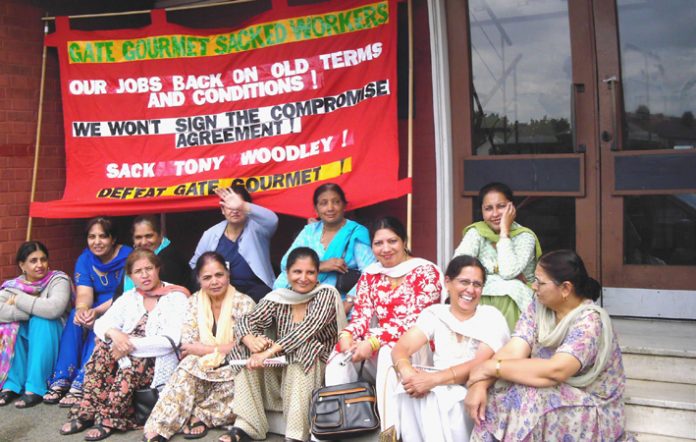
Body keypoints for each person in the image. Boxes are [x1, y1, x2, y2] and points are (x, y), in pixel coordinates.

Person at [465, 250, 631, 441]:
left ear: (565, 288)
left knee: (527, 398)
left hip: (592, 402)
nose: (534, 287)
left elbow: (556, 371)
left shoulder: (589, 323)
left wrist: (490, 367)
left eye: (540, 282)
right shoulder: (538, 306)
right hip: (550, 385)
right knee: (500, 389)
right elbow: (514, 349)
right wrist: (480, 383)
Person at [325, 216, 444, 431]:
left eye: (392, 241)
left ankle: (390, 432)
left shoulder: (425, 272)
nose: (385, 248)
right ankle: (339, 427)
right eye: (378, 243)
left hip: (417, 348)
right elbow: (361, 316)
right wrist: (347, 336)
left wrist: (372, 342)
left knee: (391, 351)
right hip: (376, 345)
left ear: (404, 241)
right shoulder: (371, 275)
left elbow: (416, 319)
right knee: (339, 359)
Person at [60, 248, 189, 441]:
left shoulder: (175, 296)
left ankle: (109, 419)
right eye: (138, 271)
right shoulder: (130, 297)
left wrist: (129, 345)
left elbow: (171, 340)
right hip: (122, 350)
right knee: (101, 350)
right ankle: (87, 412)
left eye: (149, 268)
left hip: (156, 357)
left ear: (158, 269)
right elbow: (102, 323)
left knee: (130, 364)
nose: (144, 275)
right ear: (130, 276)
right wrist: (113, 334)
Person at [221, 247, 344, 442]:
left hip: (314, 366)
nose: (303, 278)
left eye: (310, 272)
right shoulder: (279, 297)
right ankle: (248, 427)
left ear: (317, 274)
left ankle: (295, 435)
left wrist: (267, 353)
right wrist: (250, 339)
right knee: (242, 347)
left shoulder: (325, 295)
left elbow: (306, 330)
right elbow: (247, 320)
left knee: (305, 348)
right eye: (297, 272)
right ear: (287, 273)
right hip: (281, 365)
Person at [389, 255, 509, 442]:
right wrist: (409, 374)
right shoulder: (435, 314)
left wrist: (433, 380)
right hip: (435, 386)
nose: (470, 290)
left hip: (473, 386)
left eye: (477, 284)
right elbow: (401, 348)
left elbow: (479, 364)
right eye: (464, 282)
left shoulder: (491, 317)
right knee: (408, 391)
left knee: (438, 396)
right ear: (447, 282)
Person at [143, 252, 256, 442]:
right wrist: (217, 349)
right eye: (207, 277)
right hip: (202, 367)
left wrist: (206, 349)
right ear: (199, 279)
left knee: (244, 380)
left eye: (219, 275)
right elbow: (188, 344)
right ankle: (158, 427)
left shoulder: (244, 303)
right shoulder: (194, 302)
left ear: (227, 274)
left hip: (233, 367)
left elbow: (244, 346)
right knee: (185, 368)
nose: (214, 282)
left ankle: (200, 415)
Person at [45, 217, 133, 407]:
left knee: (100, 325)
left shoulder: (128, 256)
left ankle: (83, 380)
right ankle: (62, 377)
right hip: (95, 305)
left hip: (120, 305)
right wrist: (83, 310)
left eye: (103, 236)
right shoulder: (85, 259)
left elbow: (127, 294)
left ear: (113, 238)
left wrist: (96, 311)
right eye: (92, 237)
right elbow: (84, 293)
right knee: (75, 319)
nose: (97, 242)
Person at [273, 183, 376, 315]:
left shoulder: (356, 232)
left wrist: (349, 302)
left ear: (344, 205)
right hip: (305, 293)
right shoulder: (310, 231)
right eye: (324, 203)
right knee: (282, 281)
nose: (330, 208)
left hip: (341, 299)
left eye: (336, 202)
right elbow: (286, 264)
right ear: (316, 209)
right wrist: (320, 266)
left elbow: (370, 273)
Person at [453, 182, 541, 331]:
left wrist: (504, 232)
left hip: (516, 300)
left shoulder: (525, 236)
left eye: (501, 206)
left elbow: (508, 272)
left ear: (511, 208)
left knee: (510, 288)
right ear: (482, 211)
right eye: (488, 208)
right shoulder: (477, 232)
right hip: (481, 297)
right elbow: (459, 265)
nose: (494, 214)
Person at [0, 241, 71, 408]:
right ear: (22, 265)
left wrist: (18, 300)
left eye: (43, 259)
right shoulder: (14, 286)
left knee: (42, 320)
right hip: (31, 333)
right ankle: (12, 384)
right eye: (33, 261)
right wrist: (33, 309)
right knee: (10, 326)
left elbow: (54, 309)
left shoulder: (58, 279)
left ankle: (35, 387)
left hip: (54, 334)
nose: (40, 265)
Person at [190, 186, 278, 302]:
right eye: (229, 206)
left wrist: (242, 205)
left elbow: (272, 220)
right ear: (222, 210)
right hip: (221, 290)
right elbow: (195, 265)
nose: (234, 210)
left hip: (255, 289)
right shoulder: (211, 234)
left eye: (237, 206)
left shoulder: (259, 228)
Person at [114, 215, 193, 299]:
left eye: (149, 236)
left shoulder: (169, 258)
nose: (143, 242)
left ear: (160, 235)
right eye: (138, 237)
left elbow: (161, 298)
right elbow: (119, 294)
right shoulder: (135, 257)